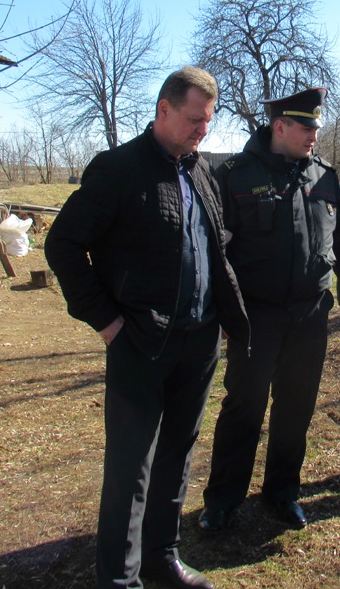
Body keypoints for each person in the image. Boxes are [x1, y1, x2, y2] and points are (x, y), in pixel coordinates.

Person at [44, 66, 249, 589]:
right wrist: (107, 321)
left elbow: (214, 247)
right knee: (131, 468)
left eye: (208, 121)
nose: (202, 130)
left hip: (199, 342)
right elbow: (64, 244)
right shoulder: (118, 169)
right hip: (140, 342)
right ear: (162, 110)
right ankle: (119, 578)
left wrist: (225, 317)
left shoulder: (201, 171)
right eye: (194, 119)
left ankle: (162, 558)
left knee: (177, 454)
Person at [198, 87, 340, 533]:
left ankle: (282, 492)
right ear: (280, 127)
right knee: (244, 407)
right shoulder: (233, 174)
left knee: (296, 408)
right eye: (306, 127)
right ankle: (224, 499)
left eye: (316, 128)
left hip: (310, 315)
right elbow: (214, 248)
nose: (313, 135)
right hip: (257, 317)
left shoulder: (325, 175)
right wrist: (225, 314)